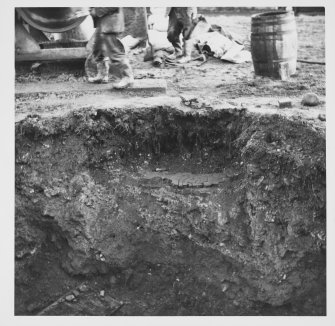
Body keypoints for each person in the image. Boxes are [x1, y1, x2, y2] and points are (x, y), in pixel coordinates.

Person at [88, 7, 134, 89]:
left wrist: (96, 10)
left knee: (114, 51)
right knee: (98, 49)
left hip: (111, 22)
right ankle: (102, 75)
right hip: (103, 22)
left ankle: (128, 77)